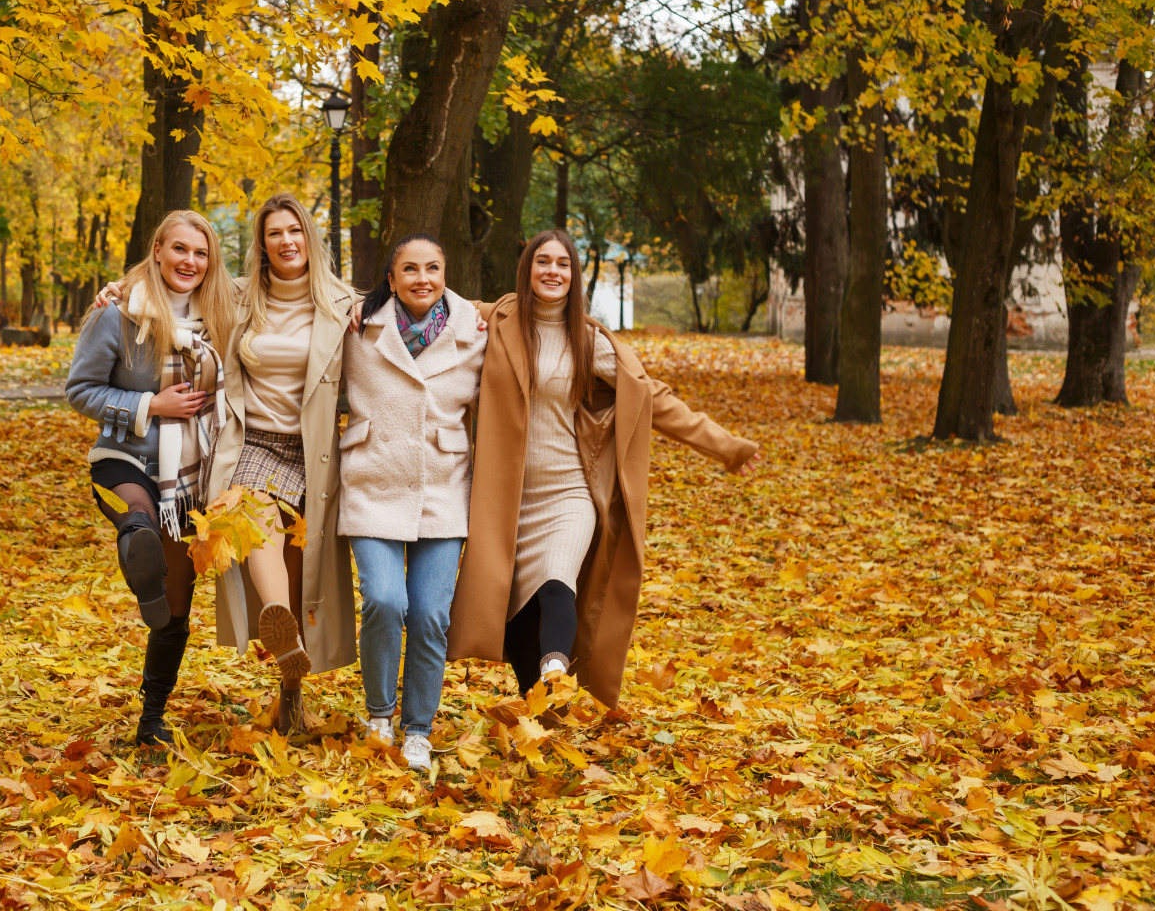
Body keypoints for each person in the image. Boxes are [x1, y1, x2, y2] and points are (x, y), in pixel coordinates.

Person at [446, 229, 761, 709]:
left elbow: (652, 396)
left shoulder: (589, 341)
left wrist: (727, 447)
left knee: (557, 581)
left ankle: (558, 665)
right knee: (517, 620)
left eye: (563, 264)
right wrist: (363, 306)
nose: (553, 271)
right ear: (527, 269)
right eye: (543, 262)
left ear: (574, 276)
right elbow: (425, 297)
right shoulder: (495, 319)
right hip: (505, 501)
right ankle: (542, 711)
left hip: (568, 491)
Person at [65, 210, 236, 745]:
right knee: (137, 516)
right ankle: (136, 539)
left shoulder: (224, 313)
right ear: (157, 249)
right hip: (126, 457)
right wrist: (150, 404)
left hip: (187, 475)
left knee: (174, 608)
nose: (190, 261)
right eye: (180, 249)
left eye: (201, 253)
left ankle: (151, 718)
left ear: (211, 262)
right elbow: (80, 390)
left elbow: (291, 281)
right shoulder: (117, 313)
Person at [192, 193, 360, 732]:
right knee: (245, 511)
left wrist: (480, 314)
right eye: (274, 234)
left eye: (294, 231)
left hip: (312, 452)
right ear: (262, 246)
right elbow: (166, 286)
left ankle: (290, 684)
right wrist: (115, 290)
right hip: (253, 441)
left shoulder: (345, 304)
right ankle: (277, 623)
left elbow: (420, 300)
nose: (286, 241)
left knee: (297, 574)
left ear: (309, 238)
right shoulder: (238, 299)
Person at [338, 234, 487, 770]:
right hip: (371, 480)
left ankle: (418, 728)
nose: (422, 278)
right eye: (410, 269)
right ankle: (379, 712)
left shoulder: (476, 330)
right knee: (384, 601)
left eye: (433, 268)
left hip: (443, 487)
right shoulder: (356, 324)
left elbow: (535, 309)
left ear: (446, 273)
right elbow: (285, 298)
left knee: (428, 614)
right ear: (392, 277)